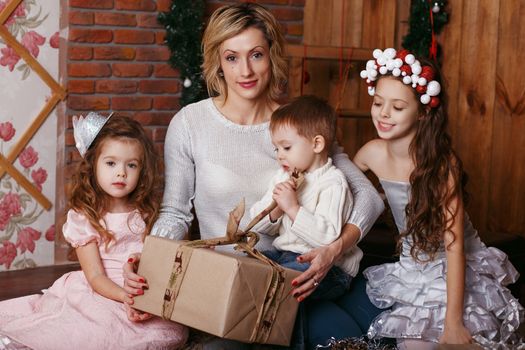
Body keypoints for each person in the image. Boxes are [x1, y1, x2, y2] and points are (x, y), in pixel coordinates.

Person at [123, 3, 385, 349]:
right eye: (232, 57)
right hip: (226, 283)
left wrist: (333, 250)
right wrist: (152, 261)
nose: (245, 70)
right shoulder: (190, 124)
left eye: (256, 55)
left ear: (271, 56)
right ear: (217, 61)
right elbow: (175, 213)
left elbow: (367, 197)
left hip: (295, 275)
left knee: (365, 330)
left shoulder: (297, 125)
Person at [354, 48, 524, 349]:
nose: (383, 113)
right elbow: (343, 185)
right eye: (378, 103)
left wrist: (453, 323)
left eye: (397, 107)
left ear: (422, 112)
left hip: (456, 266)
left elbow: (454, 246)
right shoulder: (370, 154)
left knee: (458, 340)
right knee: (413, 345)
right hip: (412, 267)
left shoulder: (442, 166)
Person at [0, 113, 188, 350]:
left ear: (141, 170)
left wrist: (144, 300)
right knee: (96, 333)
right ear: (93, 165)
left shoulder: (147, 212)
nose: (121, 173)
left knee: (168, 332)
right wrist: (125, 298)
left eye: (131, 165)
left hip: (140, 290)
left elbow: (157, 261)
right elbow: (96, 277)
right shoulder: (85, 216)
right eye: (111, 163)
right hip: (101, 290)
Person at [250, 95, 357, 301]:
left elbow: (327, 237)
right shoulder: (284, 176)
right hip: (284, 255)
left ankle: (282, 333)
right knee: (249, 268)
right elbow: (257, 224)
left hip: (329, 269)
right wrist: (277, 209)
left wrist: (292, 208)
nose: (280, 155)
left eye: (287, 147)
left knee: (282, 287)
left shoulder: (333, 183)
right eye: (277, 148)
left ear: (316, 144)